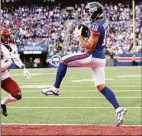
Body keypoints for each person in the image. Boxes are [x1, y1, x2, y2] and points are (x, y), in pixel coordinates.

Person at [41, 2, 127, 126]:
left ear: (94, 13)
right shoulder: (104, 20)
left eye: (89, 13)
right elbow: (97, 36)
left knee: (63, 60)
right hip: (100, 58)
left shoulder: (96, 26)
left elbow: (90, 46)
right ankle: (119, 109)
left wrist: (80, 37)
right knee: (101, 86)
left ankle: (55, 89)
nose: (87, 15)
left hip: (91, 56)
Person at [1, 28, 31, 117]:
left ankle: (2, 103)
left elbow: (15, 57)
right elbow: (1, 66)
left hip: (3, 77)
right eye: (7, 36)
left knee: (17, 94)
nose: (10, 37)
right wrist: (11, 60)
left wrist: (23, 68)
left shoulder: (11, 45)